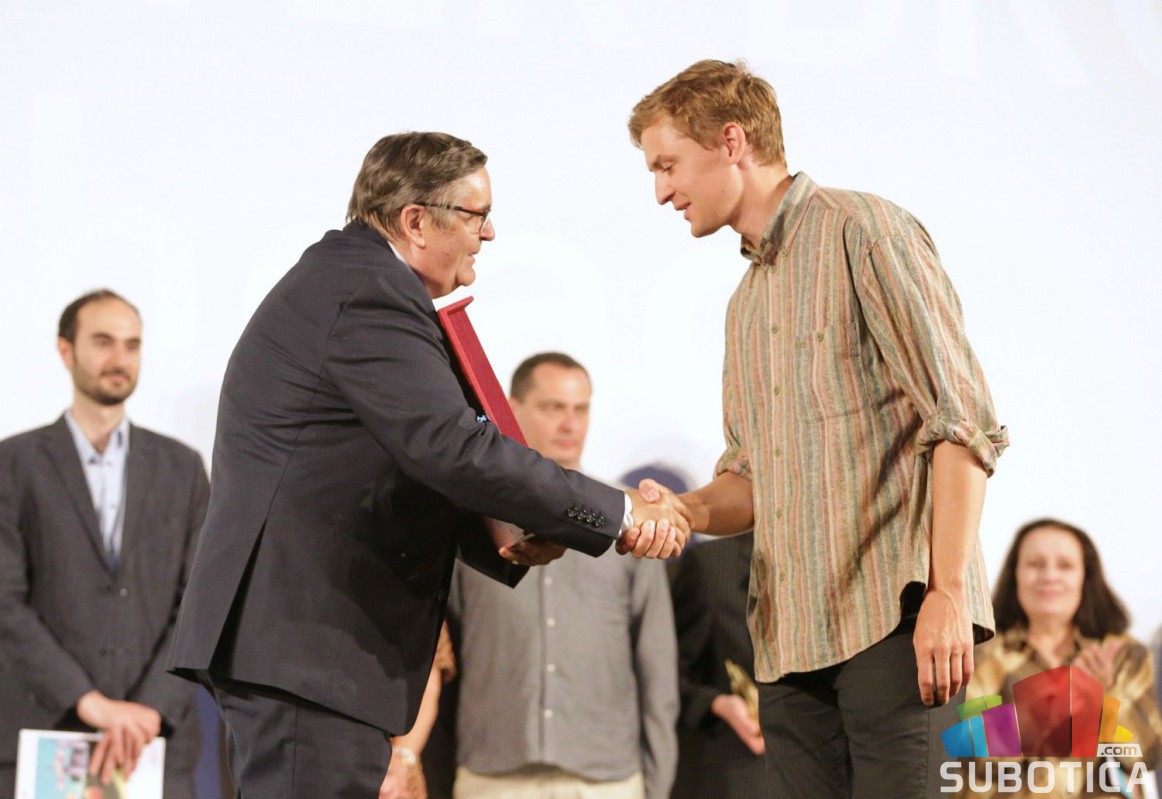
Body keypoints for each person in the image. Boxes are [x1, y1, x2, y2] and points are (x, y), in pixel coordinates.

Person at [167, 132, 690, 798]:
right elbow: (451, 447)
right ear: (415, 221)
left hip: (309, 652)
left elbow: (404, 463)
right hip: (307, 647)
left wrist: (504, 531)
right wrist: (620, 511)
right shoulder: (368, 291)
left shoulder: (353, 281)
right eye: (476, 215)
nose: (489, 233)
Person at [627, 59, 1009, 798]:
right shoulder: (744, 305)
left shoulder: (864, 230)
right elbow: (752, 477)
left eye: (668, 165)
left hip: (895, 625)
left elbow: (962, 422)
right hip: (789, 649)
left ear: (731, 141)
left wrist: (948, 593)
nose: (662, 192)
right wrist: (686, 510)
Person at [0, 290, 209, 799]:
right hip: (45, 735)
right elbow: (4, 602)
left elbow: (202, 604)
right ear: (66, 350)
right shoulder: (13, 464)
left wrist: (149, 708)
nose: (120, 358)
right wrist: (91, 703)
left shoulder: (182, 468)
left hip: (156, 742)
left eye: (132, 345)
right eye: (103, 342)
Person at [447, 353, 678, 799]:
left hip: (607, 778)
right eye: (553, 407)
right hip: (492, 772)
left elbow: (656, 661)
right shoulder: (474, 523)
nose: (570, 423)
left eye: (580, 409)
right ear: (512, 408)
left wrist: (658, 780)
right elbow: (440, 652)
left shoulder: (629, 523)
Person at [959, 518, 1162, 798]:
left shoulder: (1123, 655)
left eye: (1065, 565)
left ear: (1085, 578)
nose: (1049, 576)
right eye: (1035, 564)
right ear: (1015, 575)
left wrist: (1106, 698)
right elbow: (974, 755)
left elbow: (1147, 755)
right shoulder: (980, 652)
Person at [669, 532, 767, 798]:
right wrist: (717, 704)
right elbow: (666, 673)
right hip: (738, 773)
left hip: (834, 769)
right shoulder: (712, 565)